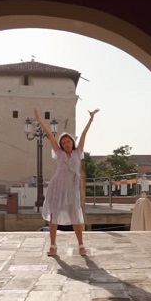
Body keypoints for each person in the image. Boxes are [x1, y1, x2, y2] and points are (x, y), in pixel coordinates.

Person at [34, 107, 99, 256]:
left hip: (71, 187)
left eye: (68, 141)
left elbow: (84, 134)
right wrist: (39, 121)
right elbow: (50, 135)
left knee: (75, 215)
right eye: (63, 143)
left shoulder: (78, 152)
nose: (66, 144)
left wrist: (90, 119)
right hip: (57, 186)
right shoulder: (59, 153)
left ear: (72, 142)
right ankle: (52, 245)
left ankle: (81, 245)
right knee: (54, 215)